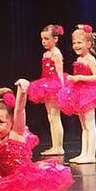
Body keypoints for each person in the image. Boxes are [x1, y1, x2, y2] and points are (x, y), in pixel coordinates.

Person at [57, 24, 96, 164]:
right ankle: (84, 153)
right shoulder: (79, 59)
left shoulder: (90, 59)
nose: (76, 45)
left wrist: (79, 78)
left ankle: (91, 155)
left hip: (89, 94)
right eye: (74, 43)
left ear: (88, 43)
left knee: (90, 124)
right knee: (83, 126)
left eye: (79, 42)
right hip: (79, 93)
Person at [27, 24, 65, 156]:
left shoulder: (56, 53)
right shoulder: (46, 54)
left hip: (54, 85)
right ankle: (55, 145)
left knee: (55, 116)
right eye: (42, 39)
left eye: (47, 38)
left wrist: (62, 89)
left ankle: (58, 146)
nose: (44, 41)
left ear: (55, 39)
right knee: (51, 117)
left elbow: (60, 72)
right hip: (46, 84)